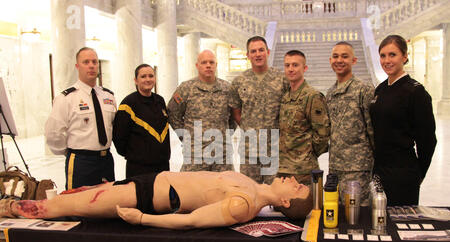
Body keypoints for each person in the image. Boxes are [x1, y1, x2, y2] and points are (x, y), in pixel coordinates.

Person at [0, 171, 313, 230]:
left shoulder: (242, 205)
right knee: (74, 193)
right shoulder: (252, 185)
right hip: (146, 180)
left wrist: (142, 219)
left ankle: (7, 208)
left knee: (53, 207)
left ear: (285, 204)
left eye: (298, 189)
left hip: (144, 197)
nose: (294, 181)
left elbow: (191, 220)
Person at [369, 35, 437, 206]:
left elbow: (428, 140)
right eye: (383, 56)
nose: (387, 60)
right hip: (379, 171)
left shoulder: (415, 92)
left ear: (405, 57)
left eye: (392, 55)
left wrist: (418, 174)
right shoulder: (381, 89)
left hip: (403, 172)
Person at [45, 47, 116, 190]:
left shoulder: (108, 96)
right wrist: (70, 152)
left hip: (106, 160)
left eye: (94, 62)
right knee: (77, 206)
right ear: (77, 66)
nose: (91, 65)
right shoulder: (67, 98)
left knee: (106, 205)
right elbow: (53, 133)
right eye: (86, 62)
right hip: (81, 162)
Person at [229, 36, 289, 184]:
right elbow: (236, 111)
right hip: (250, 149)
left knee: (276, 196)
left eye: (261, 50)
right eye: (253, 51)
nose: (258, 54)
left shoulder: (282, 79)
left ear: (268, 52)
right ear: (248, 55)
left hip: (275, 149)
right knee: (249, 196)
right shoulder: (239, 81)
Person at [326, 41, 375, 205]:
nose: (339, 60)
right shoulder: (331, 93)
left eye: (344, 56)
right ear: (330, 60)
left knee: (358, 217)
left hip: (357, 169)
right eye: (335, 56)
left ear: (354, 60)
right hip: (335, 167)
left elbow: (373, 130)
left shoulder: (364, 90)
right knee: (337, 216)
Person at [167, 50, 233, 172]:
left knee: (224, 189)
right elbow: (172, 113)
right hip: (195, 155)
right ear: (197, 65)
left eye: (211, 62)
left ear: (216, 65)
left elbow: (233, 116)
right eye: (204, 62)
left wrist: (226, 135)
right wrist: (186, 137)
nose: (208, 65)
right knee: (191, 189)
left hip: (222, 155)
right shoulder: (186, 88)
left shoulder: (227, 88)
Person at [278, 50, 330, 186]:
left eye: (295, 65)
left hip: (304, 171)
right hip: (284, 168)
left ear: (304, 68)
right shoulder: (285, 97)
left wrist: (308, 153)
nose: (290, 69)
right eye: (287, 65)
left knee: (307, 207)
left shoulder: (312, 96)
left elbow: (323, 133)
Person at [113, 64, 170, 178]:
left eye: (151, 76)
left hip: (162, 166)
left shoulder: (159, 101)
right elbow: (119, 137)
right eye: (143, 76)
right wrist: (136, 155)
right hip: (139, 168)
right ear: (136, 80)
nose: (148, 79)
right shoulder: (128, 104)